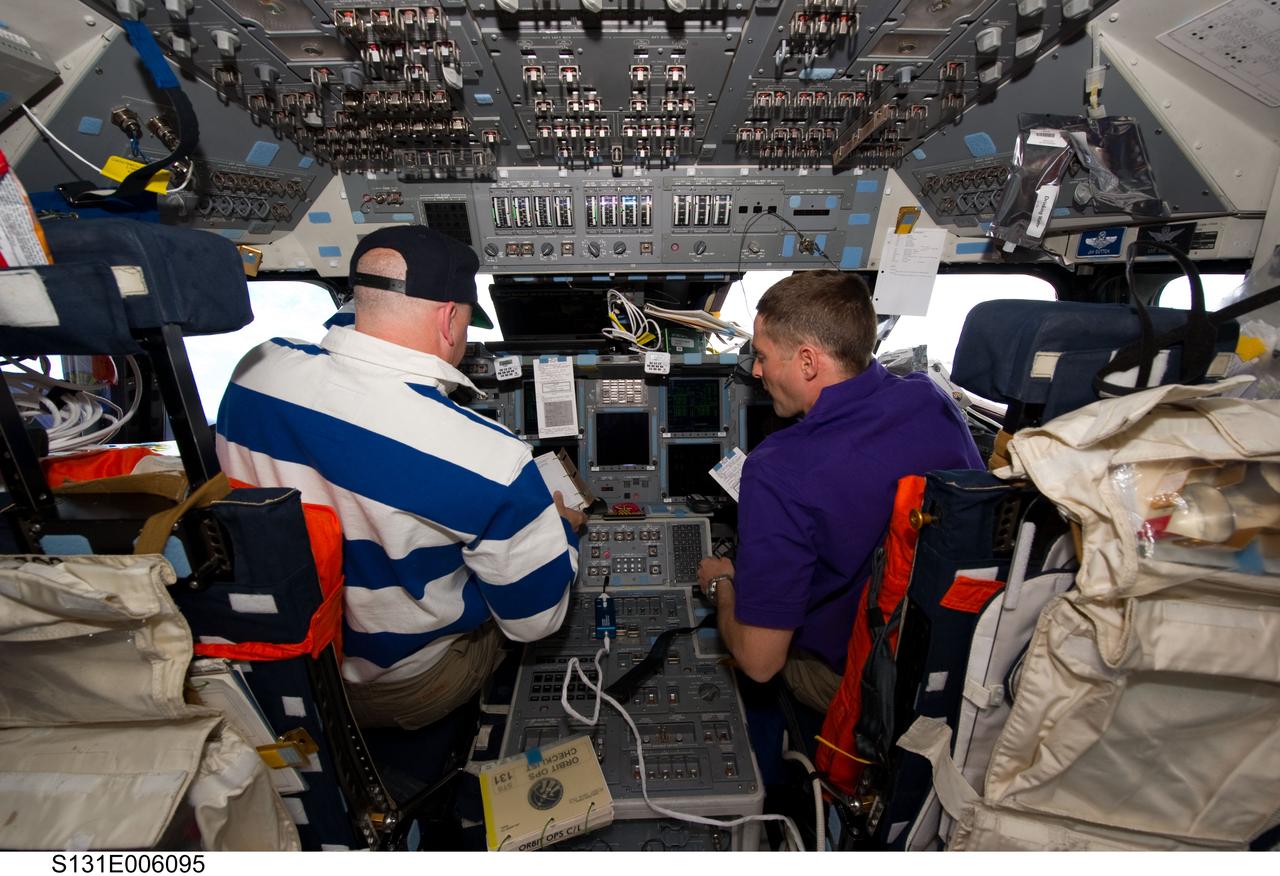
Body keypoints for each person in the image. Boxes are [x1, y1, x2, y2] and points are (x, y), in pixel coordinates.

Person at [216, 225, 585, 730]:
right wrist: (561, 528)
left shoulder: (256, 372)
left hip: (283, 662)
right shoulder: (489, 457)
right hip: (397, 685)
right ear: (449, 318)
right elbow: (533, 623)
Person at [697, 270, 982, 716]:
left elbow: (760, 661)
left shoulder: (778, 468)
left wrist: (721, 585)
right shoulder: (932, 399)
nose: (755, 370)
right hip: (959, 655)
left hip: (865, 682)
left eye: (764, 355)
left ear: (808, 362)